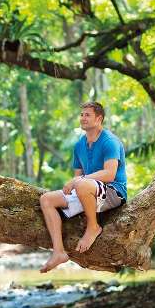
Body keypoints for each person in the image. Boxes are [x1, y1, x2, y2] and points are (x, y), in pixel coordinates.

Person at [39, 101, 127, 273]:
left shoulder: (110, 141)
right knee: (47, 199)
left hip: (113, 192)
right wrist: (73, 184)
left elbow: (110, 174)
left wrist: (78, 181)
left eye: (87, 115)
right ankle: (58, 252)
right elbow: (78, 176)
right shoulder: (79, 145)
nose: (83, 118)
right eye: (81, 115)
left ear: (99, 118)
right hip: (87, 189)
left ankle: (93, 226)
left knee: (81, 184)